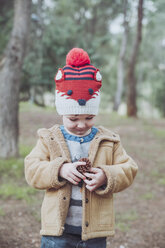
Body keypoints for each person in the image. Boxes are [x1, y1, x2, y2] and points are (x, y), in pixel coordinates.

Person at [24, 48, 138, 248]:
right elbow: (31, 168)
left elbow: (129, 168)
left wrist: (106, 175)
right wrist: (59, 169)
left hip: (94, 233)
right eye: (73, 118)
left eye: (89, 118)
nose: (81, 124)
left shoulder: (108, 141)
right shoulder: (49, 138)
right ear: (61, 112)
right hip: (57, 232)